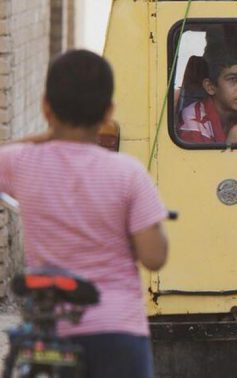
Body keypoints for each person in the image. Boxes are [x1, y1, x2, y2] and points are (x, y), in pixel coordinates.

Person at [0, 50, 168, 378]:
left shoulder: (22, 162)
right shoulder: (128, 173)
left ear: (46, 106)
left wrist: (46, 136)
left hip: (50, 336)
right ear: (108, 113)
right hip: (117, 332)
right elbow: (154, 257)